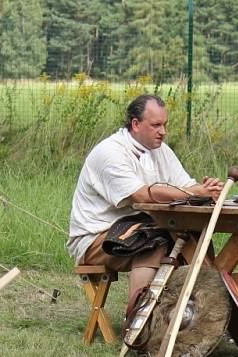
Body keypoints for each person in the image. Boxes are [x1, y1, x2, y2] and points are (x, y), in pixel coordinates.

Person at [67, 94, 223, 308]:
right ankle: (138, 322)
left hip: (140, 227)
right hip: (95, 238)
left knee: (195, 237)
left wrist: (206, 191)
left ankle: (202, 315)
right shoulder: (109, 152)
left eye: (165, 125)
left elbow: (187, 185)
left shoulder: (161, 150)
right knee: (153, 243)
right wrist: (194, 192)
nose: (163, 132)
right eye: (156, 125)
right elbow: (140, 195)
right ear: (136, 124)